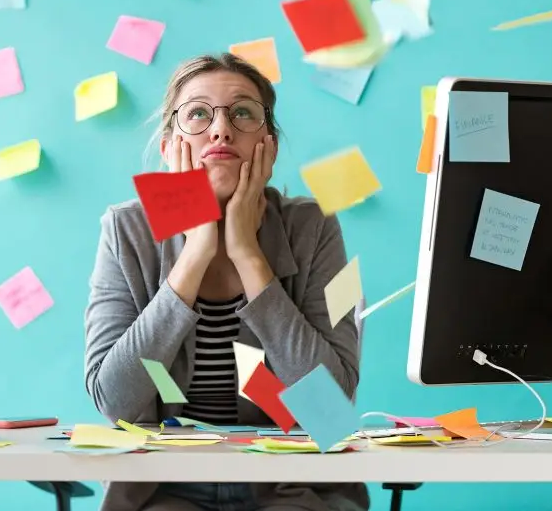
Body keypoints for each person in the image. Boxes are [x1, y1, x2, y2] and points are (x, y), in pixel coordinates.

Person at [84, 53, 368, 511]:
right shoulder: (126, 230)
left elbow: (330, 406)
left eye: (242, 112)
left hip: (293, 484)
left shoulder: (314, 227)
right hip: (162, 487)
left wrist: (247, 254)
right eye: (197, 113)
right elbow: (113, 400)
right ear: (169, 145)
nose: (220, 129)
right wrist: (196, 251)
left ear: (269, 144)